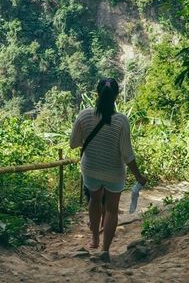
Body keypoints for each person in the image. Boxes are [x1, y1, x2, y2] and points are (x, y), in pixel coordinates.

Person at [70, 78, 147, 261]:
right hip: (114, 173)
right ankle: (105, 249)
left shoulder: (84, 115)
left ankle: (95, 238)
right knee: (112, 209)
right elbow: (127, 154)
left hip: (91, 170)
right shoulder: (121, 120)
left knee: (94, 201)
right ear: (116, 96)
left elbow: (73, 144)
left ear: (97, 93)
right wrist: (139, 176)